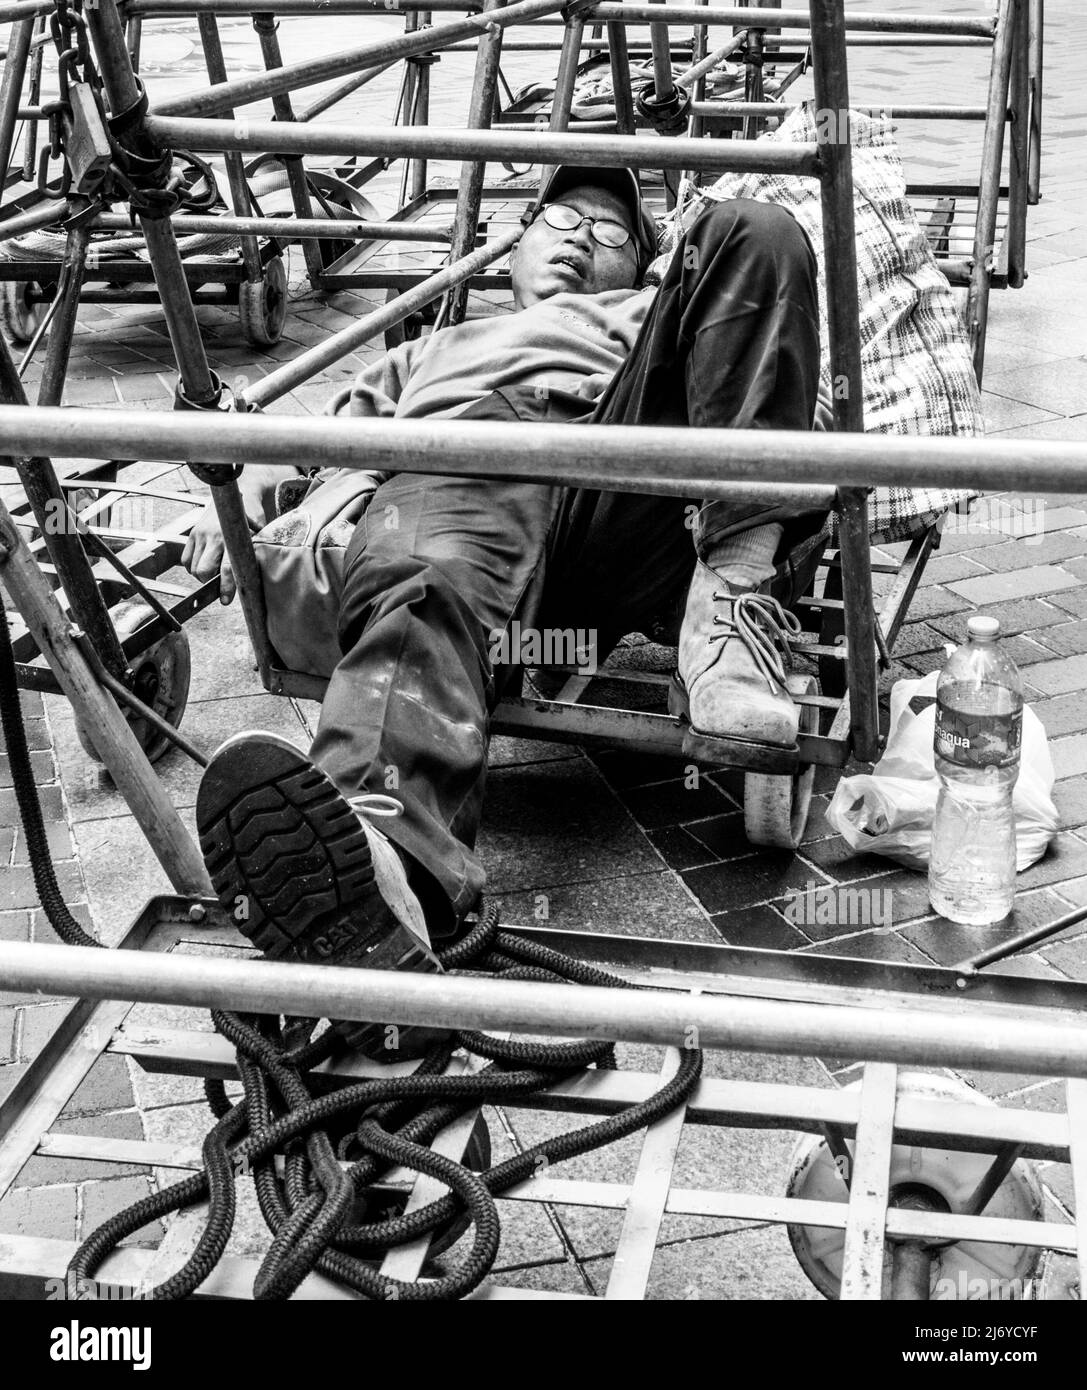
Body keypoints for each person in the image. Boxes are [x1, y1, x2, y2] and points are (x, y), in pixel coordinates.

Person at [186, 165, 831, 1040]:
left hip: (623, 481)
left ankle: (730, 605)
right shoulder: (425, 352)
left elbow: (787, 398)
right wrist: (252, 489)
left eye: (609, 234)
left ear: (641, 267)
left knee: (756, 224)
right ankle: (380, 874)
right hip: (461, 488)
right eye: (560, 219)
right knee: (422, 583)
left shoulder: (651, 317)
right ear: (515, 245)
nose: (578, 236)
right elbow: (306, 447)